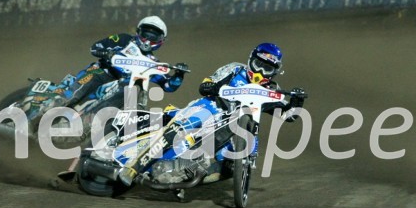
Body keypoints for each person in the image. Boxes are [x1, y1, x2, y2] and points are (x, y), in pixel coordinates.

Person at [117, 42, 305, 186]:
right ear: (250, 61)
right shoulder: (235, 69)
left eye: (267, 68)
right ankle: (133, 168)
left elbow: (288, 115)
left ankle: (186, 173)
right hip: (212, 107)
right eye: (258, 64)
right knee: (183, 126)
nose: (261, 71)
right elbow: (206, 84)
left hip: (236, 125)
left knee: (240, 154)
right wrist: (212, 86)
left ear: (275, 72)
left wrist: (297, 101)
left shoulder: (272, 90)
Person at [75, 16, 188, 112]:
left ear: (161, 40)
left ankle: (104, 122)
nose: (148, 41)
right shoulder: (124, 39)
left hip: (122, 85)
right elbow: (95, 47)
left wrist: (179, 74)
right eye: (145, 35)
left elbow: (168, 86)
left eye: (153, 37)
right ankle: (65, 99)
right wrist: (107, 53)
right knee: (90, 78)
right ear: (138, 32)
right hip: (103, 72)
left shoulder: (153, 63)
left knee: (132, 91)